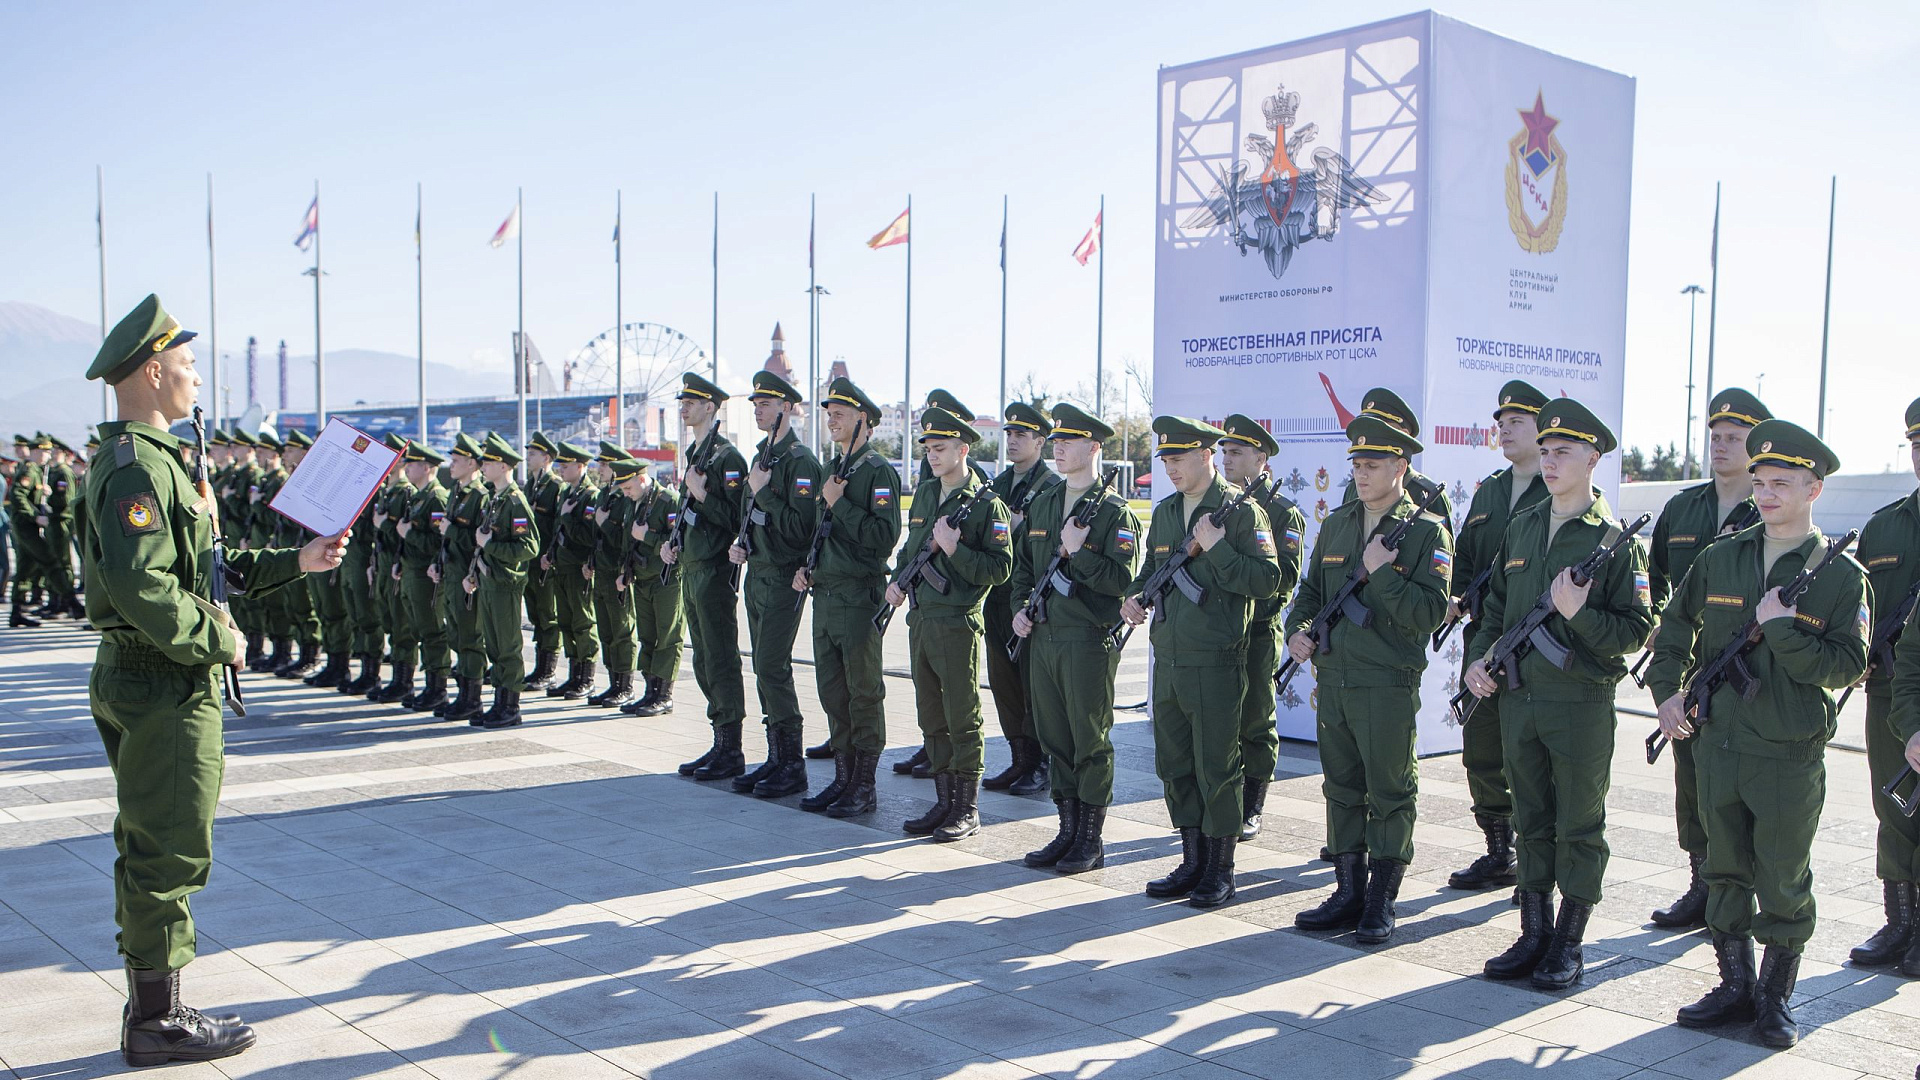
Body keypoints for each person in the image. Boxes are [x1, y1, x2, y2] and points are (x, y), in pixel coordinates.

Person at [83, 294, 347, 1065]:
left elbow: (205, 573)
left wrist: (296, 563)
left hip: (153, 671)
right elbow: (142, 583)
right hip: (163, 679)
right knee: (167, 849)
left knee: (154, 843)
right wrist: (215, 637)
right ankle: (156, 1024)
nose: (198, 379)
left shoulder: (153, 458)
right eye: (190, 366)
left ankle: (153, 1005)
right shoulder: (136, 465)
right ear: (155, 370)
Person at [1652, 419, 1868, 1049]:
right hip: (1717, 745)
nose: (1767, 493)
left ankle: (1774, 999)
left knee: (1781, 876)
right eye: (1761, 481)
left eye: (1782, 483)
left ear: (1814, 490)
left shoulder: (1839, 574)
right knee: (1723, 870)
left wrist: (1780, 628)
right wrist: (1667, 692)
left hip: (1786, 752)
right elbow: (1671, 631)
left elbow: (1845, 666)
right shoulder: (1722, 556)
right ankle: (1733, 984)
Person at [1465, 400, 1653, 989]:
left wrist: (1582, 616)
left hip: (1579, 702)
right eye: (1544, 451)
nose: (1549, 461)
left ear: (1593, 459)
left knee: (1578, 822)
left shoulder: (1617, 542)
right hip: (1519, 699)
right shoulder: (1522, 525)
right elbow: (1496, 605)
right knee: (1531, 816)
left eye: (1563, 452)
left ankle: (1568, 942)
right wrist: (1481, 656)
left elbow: (1636, 630)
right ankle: (1533, 932)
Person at [1288, 415, 1451, 942]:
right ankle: (1347, 889)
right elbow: (1311, 592)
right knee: (1341, 788)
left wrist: (1381, 571)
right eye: (1356, 464)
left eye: (1372, 464)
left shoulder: (1427, 531)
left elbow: (1429, 615)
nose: (1361, 473)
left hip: (1386, 681)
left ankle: (1381, 899)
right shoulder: (1338, 524)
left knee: (1389, 789)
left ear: (1400, 467)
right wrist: (1298, 630)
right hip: (1333, 677)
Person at [1123, 416, 1281, 904]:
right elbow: (1152, 567)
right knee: (1175, 764)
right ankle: (1191, 861)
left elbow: (1267, 581)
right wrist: (1134, 596)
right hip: (1168, 657)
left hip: (1216, 658)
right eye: (1165, 459)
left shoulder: (1240, 513)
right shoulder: (1169, 511)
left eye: (1179, 458)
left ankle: (1220, 868)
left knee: (1217, 766)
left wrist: (1218, 552)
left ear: (1206, 455)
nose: (1170, 468)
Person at [1645, 387, 1772, 930]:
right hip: (1689, 673)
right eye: (1716, 437)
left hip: (1746, 668)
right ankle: (1701, 882)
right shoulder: (1683, 506)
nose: (1721, 447)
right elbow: (1652, 580)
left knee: (1746, 787)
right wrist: (1658, 630)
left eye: (1735, 439)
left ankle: (1746, 891)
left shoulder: (1768, 507)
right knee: (1690, 780)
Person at [1011, 404, 1139, 873]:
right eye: (1057, 441)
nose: (1060, 447)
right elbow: (1024, 568)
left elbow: (1123, 580)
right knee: (1055, 738)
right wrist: (1020, 611)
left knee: (1089, 739)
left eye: (1070, 440)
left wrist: (1080, 553)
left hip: (1087, 638)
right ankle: (1066, 830)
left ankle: (1090, 838)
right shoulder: (1045, 501)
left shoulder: (1114, 513)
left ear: (1095, 447)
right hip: (1044, 636)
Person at [1445, 381, 1553, 891]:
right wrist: (1456, 595)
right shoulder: (1490, 489)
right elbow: (1466, 557)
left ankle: (1538, 863)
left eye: (1516, 422)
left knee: (1533, 755)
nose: (1504, 430)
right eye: (1501, 422)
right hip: (1485, 640)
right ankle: (1498, 850)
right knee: (1482, 744)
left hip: (1537, 646)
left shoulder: (1559, 488)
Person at [890, 407, 1012, 840]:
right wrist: (897, 581)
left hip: (959, 622)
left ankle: (967, 807)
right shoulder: (925, 494)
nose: (933, 456)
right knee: (931, 716)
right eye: (928, 449)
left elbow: (1000, 569)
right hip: (921, 617)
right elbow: (911, 547)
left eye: (940, 449)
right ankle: (943, 802)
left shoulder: (987, 503)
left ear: (963, 449)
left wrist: (955, 550)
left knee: (963, 716)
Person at [796, 377, 902, 816]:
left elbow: (883, 538)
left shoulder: (877, 472)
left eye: (840, 412)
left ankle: (864, 785)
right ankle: (842, 778)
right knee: (832, 692)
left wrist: (840, 503)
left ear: (864, 419)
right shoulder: (830, 469)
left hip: (858, 597)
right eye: (829, 413)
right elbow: (824, 534)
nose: (831, 419)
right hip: (826, 594)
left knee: (863, 692)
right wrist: (808, 566)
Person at [730, 371, 825, 797]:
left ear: (786, 407)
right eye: (755, 404)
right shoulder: (762, 457)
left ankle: (792, 763)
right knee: (762, 668)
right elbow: (755, 518)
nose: (758, 409)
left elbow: (801, 529)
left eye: (765, 404)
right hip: (758, 572)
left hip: (784, 577)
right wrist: (742, 543)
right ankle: (775, 757)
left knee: (772, 666)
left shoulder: (800, 461)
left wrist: (764, 494)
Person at [1216, 413, 1306, 840]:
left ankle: (1253, 805)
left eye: (1236, 452)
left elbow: (1284, 580)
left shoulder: (1282, 512)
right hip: (1218, 632)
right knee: (1220, 720)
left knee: (1255, 720)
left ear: (1261, 458)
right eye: (1224, 451)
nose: (1226, 459)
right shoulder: (1218, 504)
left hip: (1257, 632)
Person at [1854, 397, 1920, 974]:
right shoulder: (1884, 526)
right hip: (1888, 691)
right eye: (1917, 445)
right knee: (1892, 804)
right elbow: (1857, 608)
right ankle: (1899, 922)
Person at [662, 373, 751, 778]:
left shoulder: (726, 458)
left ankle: (731, 748)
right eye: (682, 401)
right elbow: (691, 518)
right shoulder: (697, 454)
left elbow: (735, 517)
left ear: (711, 408)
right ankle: (718, 739)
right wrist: (672, 542)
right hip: (691, 566)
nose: (684, 407)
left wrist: (701, 494)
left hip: (715, 570)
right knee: (702, 659)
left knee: (719, 657)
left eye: (692, 402)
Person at [984, 401, 1064, 795]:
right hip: (998, 596)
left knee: (1032, 686)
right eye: (1010, 434)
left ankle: (1039, 763)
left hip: (1029, 602)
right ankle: (1019, 760)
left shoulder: (1051, 488)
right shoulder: (997, 486)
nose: (1013, 441)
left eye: (1022, 435)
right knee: (1004, 684)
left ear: (1040, 441)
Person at [618, 458, 685, 717]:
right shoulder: (633, 503)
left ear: (641, 478)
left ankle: (664, 695)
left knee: (668, 637)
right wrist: (625, 572)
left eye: (628, 487)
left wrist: (646, 536)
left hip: (666, 580)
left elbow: (677, 542)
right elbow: (628, 541)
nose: (626, 493)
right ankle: (650, 692)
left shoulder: (668, 501)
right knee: (647, 637)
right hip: (642, 579)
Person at [1340, 388, 1456, 528]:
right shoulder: (1354, 488)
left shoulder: (1429, 494)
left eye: (1381, 427)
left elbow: (1439, 543)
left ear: (1404, 434)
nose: (1371, 433)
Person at [436, 434, 491, 723]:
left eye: (456, 461)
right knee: (456, 634)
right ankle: (462, 694)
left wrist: (451, 530)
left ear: (472, 463)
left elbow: (478, 539)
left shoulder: (481, 497)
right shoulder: (456, 492)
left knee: (470, 637)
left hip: (467, 576)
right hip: (451, 572)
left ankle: (472, 699)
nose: (451, 465)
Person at [395, 442, 452, 712]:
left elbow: (439, 542)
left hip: (426, 576)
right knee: (419, 630)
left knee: (432, 632)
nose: (407, 467)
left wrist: (409, 534)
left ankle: (438, 688)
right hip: (412, 572)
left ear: (427, 467)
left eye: (413, 463)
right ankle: (428, 685)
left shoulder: (436, 498)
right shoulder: (418, 497)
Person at [545, 441, 602, 699]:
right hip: (562, 566)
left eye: (565, 465)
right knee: (566, 622)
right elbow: (558, 531)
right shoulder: (567, 494)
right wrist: (550, 554)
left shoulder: (590, 496)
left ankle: (587, 678)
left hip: (578, 570)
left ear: (581, 466)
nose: (560, 469)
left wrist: (568, 516)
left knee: (582, 622)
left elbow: (588, 537)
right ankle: (574, 675)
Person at [587, 442, 641, 708]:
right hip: (602, 569)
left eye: (605, 465)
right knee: (606, 629)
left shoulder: (623, 497)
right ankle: (612, 682)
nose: (600, 469)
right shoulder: (603, 495)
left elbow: (624, 536)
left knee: (621, 629)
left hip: (617, 570)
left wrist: (604, 522)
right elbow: (596, 538)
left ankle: (625, 685)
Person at [366, 435, 418, 702]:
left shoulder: (407, 493)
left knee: (402, 626)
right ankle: (395, 678)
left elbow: (401, 535)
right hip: (384, 565)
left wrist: (383, 524)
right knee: (390, 621)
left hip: (398, 567)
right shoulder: (387, 492)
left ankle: (404, 681)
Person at [270, 430, 324, 679]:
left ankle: (313, 655)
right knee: (295, 605)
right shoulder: (294, 480)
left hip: (307, 552)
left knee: (308, 606)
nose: (285, 455)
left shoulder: (313, 482)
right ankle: (302, 654)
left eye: (291, 450)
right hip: (291, 550)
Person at [521, 432, 565, 691]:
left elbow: (558, 525)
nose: (529, 457)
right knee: (537, 615)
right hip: (532, 561)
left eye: (533, 454)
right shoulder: (531, 484)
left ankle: (548, 671)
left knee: (548, 615)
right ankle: (540, 667)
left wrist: (551, 555)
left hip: (546, 562)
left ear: (546, 458)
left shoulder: (555, 486)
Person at [6, 433, 50, 626]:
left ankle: (17, 611)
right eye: (44, 451)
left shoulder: (34, 470)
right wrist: (35, 516)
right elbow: (17, 496)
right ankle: (68, 600)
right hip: (26, 525)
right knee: (50, 560)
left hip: (25, 525)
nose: (47, 455)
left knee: (25, 565)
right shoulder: (30, 470)